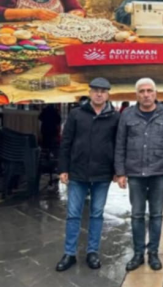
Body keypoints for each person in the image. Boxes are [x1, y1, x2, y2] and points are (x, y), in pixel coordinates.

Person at [55, 78, 118, 272]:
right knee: (73, 214)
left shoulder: (115, 117)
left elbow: (118, 145)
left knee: (97, 214)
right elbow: (66, 142)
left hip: (102, 173)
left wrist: (117, 171)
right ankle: (69, 253)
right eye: (96, 90)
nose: (99, 94)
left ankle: (92, 252)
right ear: (90, 93)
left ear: (108, 94)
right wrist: (63, 169)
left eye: (103, 91)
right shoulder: (76, 114)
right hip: (78, 171)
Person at [114, 78, 163, 271]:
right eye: (142, 91)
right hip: (135, 172)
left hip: (159, 171)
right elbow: (120, 144)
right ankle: (138, 254)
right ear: (136, 94)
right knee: (137, 215)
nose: (146, 94)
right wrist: (120, 172)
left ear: (155, 93)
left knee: (157, 214)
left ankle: (154, 253)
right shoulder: (127, 114)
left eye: (150, 91)